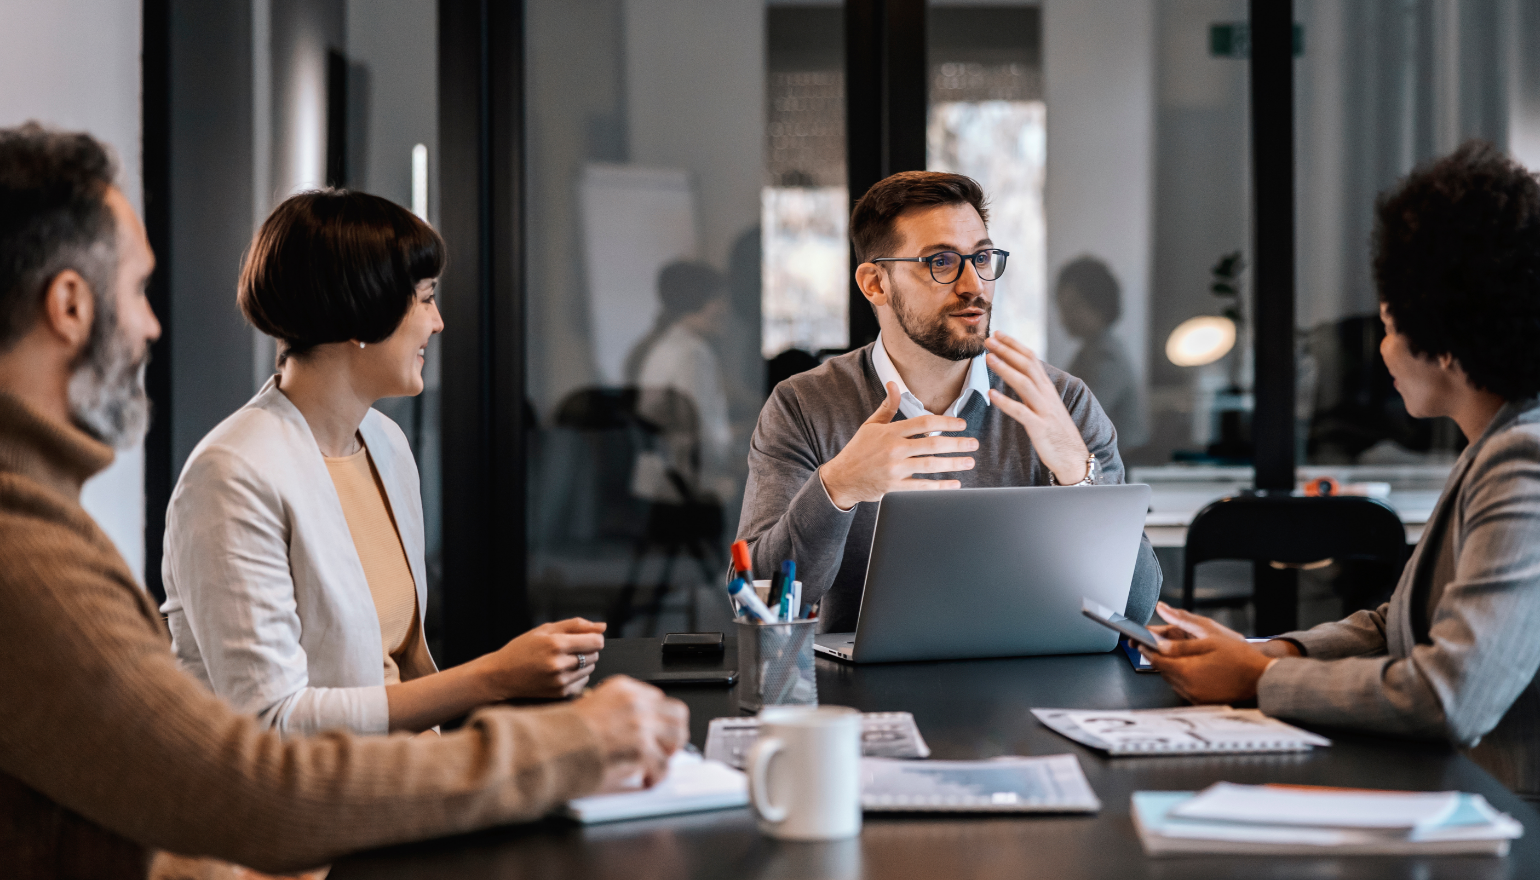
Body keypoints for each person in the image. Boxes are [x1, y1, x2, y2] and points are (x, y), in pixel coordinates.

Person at [0, 122, 687, 875]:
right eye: (135, 290)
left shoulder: (384, 445)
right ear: (68, 305)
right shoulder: (46, 548)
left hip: (380, 817)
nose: (151, 323)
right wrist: (555, 736)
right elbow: (251, 776)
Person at [1142, 141, 1540, 801]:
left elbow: (1450, 694)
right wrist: (1265, 651)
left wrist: (1254, 680)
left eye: (1388, 323)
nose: (1381, 350)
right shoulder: (1492, 444)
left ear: (1441, 335)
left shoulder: (1521, 457)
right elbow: (1399, 624)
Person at [160, 190, 606, 738]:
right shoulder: (230, 475)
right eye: (424, 299)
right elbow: (273, 721)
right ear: (362, 313)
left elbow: (396, 667)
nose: (438, 322)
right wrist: (493, 677)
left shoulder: (384, 441)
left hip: (403, 777)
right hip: (312, 808)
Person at [737, 171, 1162, 632]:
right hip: (866, 692)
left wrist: (1077, 474)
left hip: (1032, 688)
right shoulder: (803, 405)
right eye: (941, 262)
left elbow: (1135, 610)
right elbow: (756, 605)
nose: (973, 285)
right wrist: (838, 487)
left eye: (981, 257)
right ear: (875, 284)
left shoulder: (1063, 403)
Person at [625, 260, 735, 506]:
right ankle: (742, 548)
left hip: (656, 481)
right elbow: (702, 433)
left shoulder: (664, 346)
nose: (726, 309)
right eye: (719, 299)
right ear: (701, 302)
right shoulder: (693, 353)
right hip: (685, 483)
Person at [1056, 256, 1148, 449]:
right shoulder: (1086, 352)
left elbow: (1079, 418)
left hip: (1121, 467)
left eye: (1074, 306)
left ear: (1099, 306)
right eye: (1062, 307)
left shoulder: (1108, 358)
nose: (1064, 316)